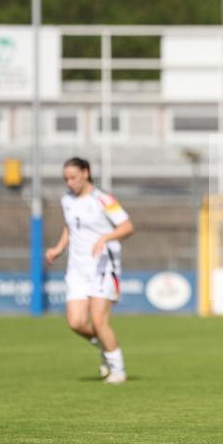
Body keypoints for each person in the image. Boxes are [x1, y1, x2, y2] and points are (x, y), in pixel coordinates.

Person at [45, 158, 134, 384]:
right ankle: (106, 349)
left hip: (103, 266)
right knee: (75, 322)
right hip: (77, 269)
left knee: (98, 321)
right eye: (66, 178)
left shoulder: (104, 199)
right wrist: (58, 248)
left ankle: (118, 370)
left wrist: (106, 237)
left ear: (86, 173)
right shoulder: (67, 200)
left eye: (73, 177)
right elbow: (70, 225)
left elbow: (127, 227)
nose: (69, 182)